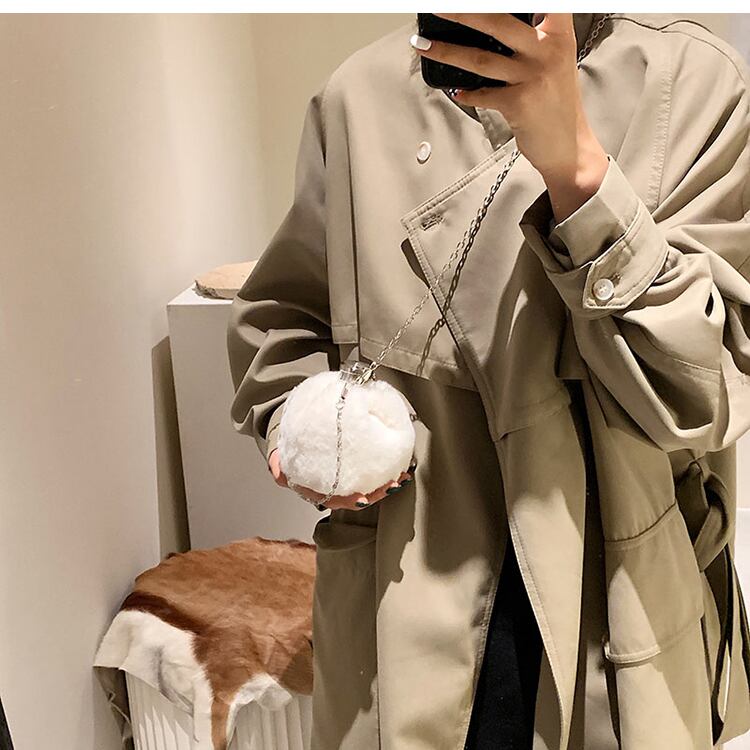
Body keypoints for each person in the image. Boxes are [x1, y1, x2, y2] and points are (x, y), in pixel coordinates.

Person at [227, 13, 750, 749]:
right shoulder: (358, 98)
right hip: (411, 590)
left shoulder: (688, 81)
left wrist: (578, 169)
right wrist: (297, 426)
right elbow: (286, 315)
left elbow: (697, 393)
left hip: (615, 587)